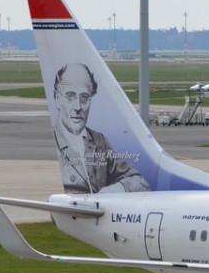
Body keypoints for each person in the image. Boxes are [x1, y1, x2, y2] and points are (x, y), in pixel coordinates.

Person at [52, 62, 149, 194]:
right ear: (57, 99)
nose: (78, 107)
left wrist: (118, 188)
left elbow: (139, 181)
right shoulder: (54, 141)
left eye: (84, 97)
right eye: (70, 96)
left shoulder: (99, 141)